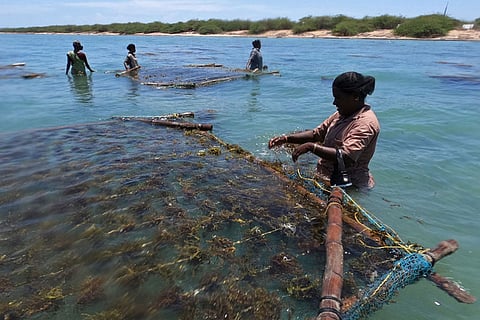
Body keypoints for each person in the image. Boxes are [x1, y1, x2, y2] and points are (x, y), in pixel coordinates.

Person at [268, 71, 380, 191]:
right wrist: (286, 139)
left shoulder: (365, 123)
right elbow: (317, 134)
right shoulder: (342, 113)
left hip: (349, 186)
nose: (334, 103)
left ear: (355, 97)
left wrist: (312, 147)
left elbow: (347, 157)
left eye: (338, 98)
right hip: (325, 176)